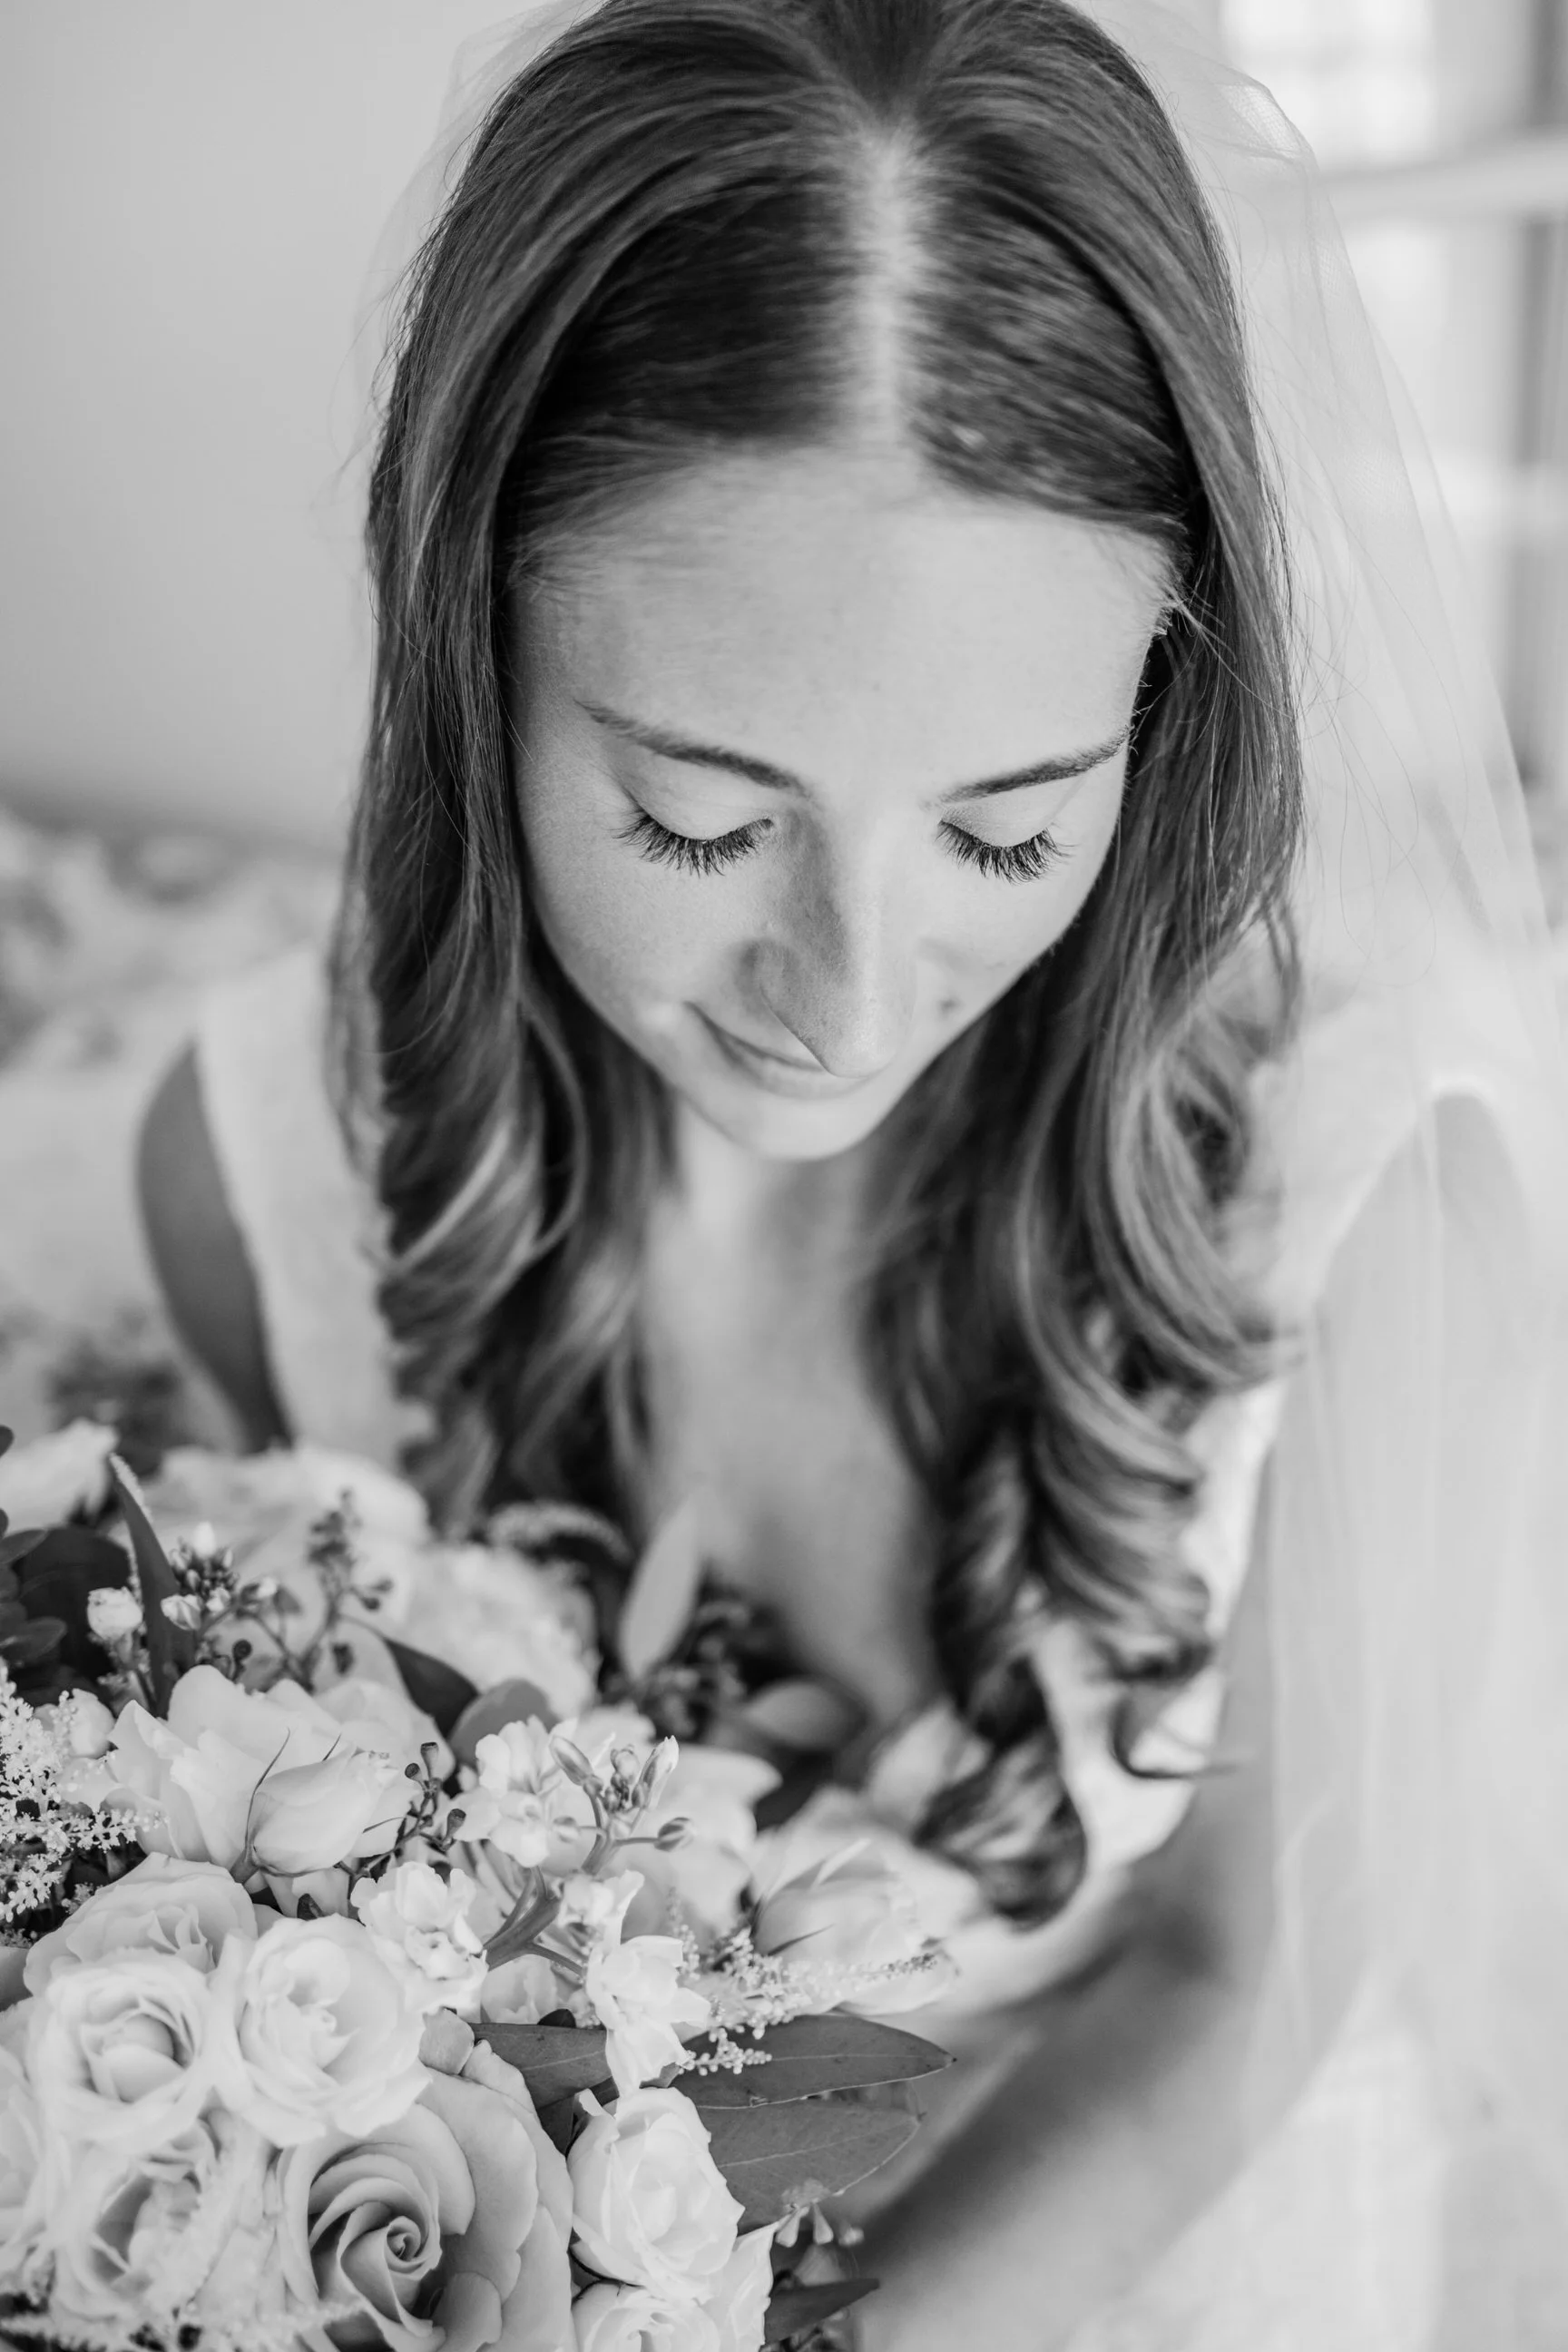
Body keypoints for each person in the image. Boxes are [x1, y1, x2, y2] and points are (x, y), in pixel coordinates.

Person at [136, 0, 1568, 2342]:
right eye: (704, 818)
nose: (850, 995)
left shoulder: (1380, 1200)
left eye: (1010, 825)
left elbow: (1246, 1968)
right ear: (468, 651)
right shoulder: (261, 1170)